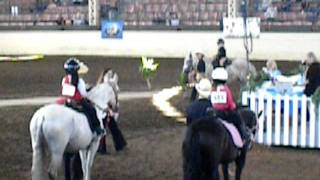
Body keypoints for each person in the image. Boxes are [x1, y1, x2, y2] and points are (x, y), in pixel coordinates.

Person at [61, 57, 105, 135]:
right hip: (77, 102)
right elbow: (83, 93)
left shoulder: (64, 79)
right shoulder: (79, 80)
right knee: (92, 110)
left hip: (67, 101)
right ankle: (97, 128)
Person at [210, 67, 249, 146]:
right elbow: (230, 104)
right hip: (225, 114)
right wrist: (235, 107)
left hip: (213, 113)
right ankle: (243, 138)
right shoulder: (226, 89)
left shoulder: (212, 89)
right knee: (239, 120)